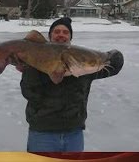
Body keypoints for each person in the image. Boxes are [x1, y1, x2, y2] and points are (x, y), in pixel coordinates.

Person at [18, 17, 124, 152]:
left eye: (65, 32)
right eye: (56, 31)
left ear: (70, 38)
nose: (61, 34)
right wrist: (38, 69)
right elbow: (29, 93)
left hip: (74, 134)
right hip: (42, 134)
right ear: (50, 36)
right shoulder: (35, 62)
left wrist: (106, 55)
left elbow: (116, 64)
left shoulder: (85, 65)